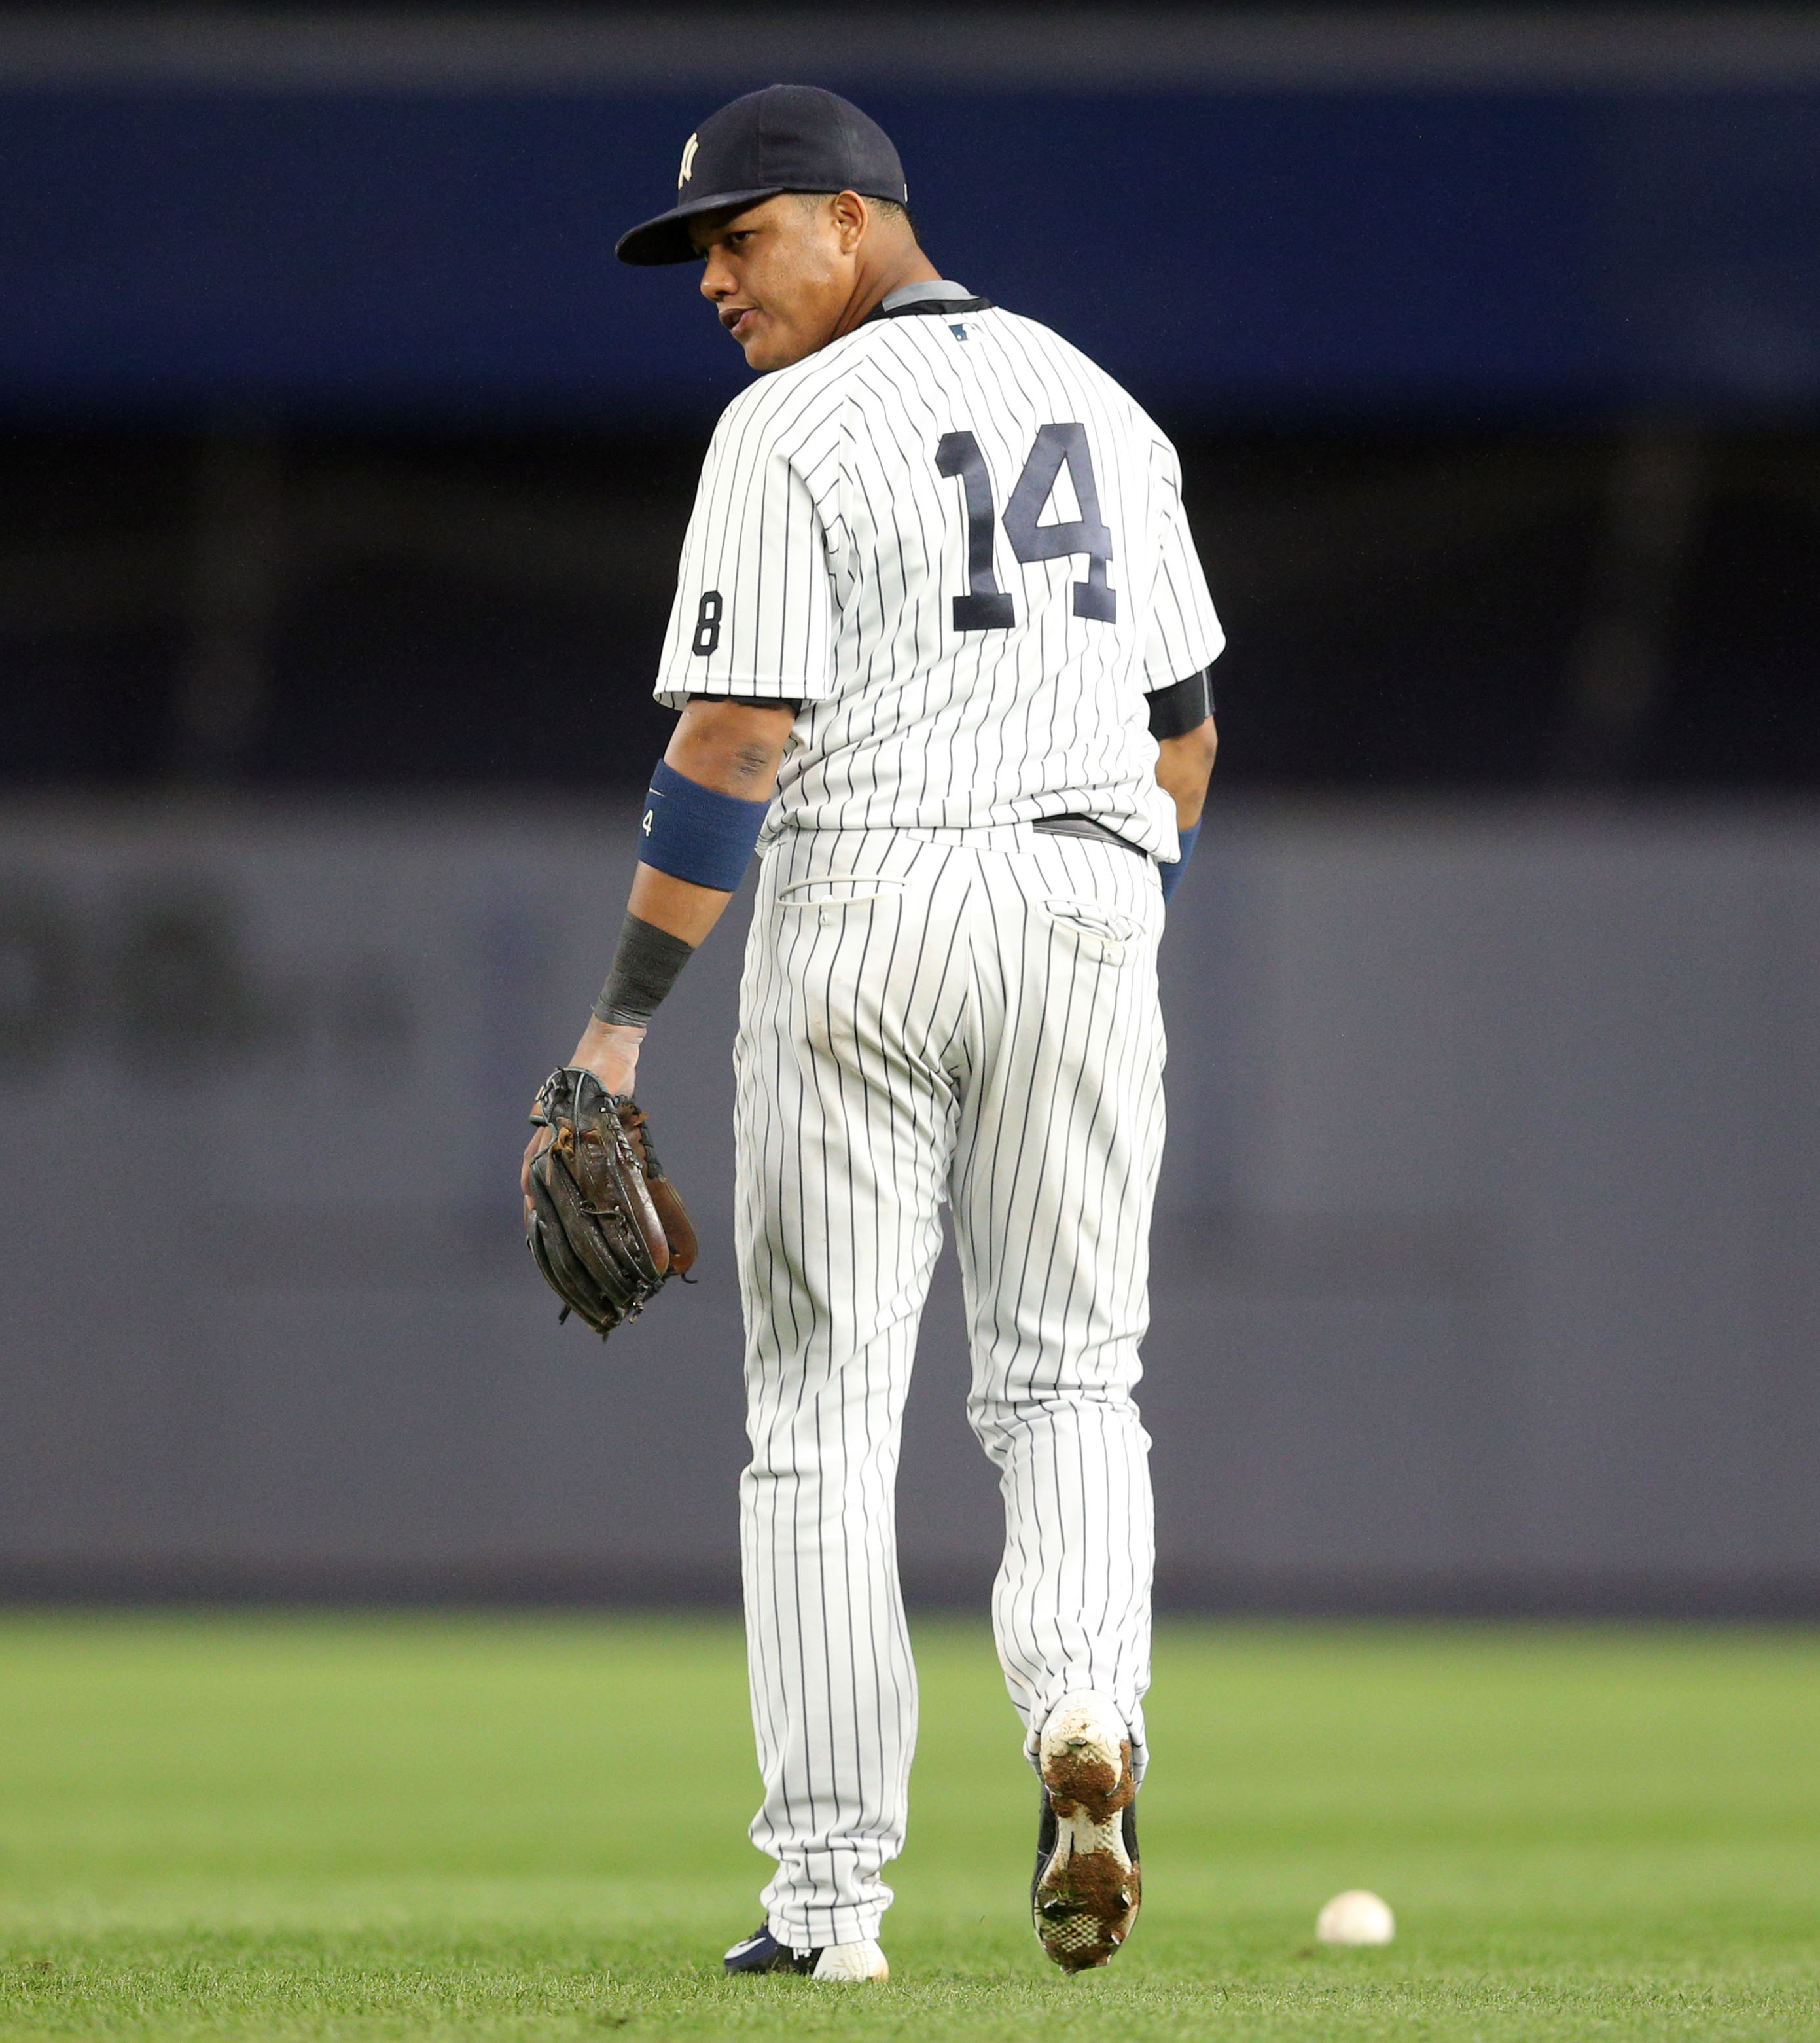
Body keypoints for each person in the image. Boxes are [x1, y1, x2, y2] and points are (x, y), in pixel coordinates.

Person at [542, 82, 1221, 1982]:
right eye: (699, 250)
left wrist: (616, 1031)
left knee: (821, 1425)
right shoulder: (1110, 402)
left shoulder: (786, 424)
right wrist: (1096, 924)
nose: (712, 281)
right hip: (1093, 893)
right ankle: (1087, 1720)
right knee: (1071, 1384)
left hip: (867, 900)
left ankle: (830, 1906)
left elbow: (733, 742)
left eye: (740, 237)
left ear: (852, 220)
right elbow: (1185, 735)